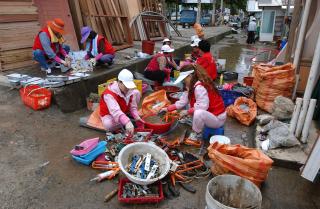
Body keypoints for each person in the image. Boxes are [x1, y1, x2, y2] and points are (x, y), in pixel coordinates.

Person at [161, 64, 226, 147]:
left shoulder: (199, 87)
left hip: (217, 118)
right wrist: (167, 109)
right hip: (210, 115)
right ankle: (194, 123)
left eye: (185, 79)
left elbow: (202, 106)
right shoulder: (192, 86)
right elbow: (182, 101)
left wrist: (186, 112)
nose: (184, 81)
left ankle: (196, 135)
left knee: (198, 113)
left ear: (190, 76)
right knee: (192, 108)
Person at [99, 69, 143, 134]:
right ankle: (124, 118)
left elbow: (133, 106)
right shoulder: (109, 94)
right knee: (108, 125)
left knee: (136, 92)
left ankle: (125, 116)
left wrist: (136, 116)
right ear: (119, 82)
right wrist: (127, 122)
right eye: (126, 86)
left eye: (129, 86)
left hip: (123, 109)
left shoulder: (129, 90)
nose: (128, 88)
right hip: (110, 114)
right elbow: (115, 111)